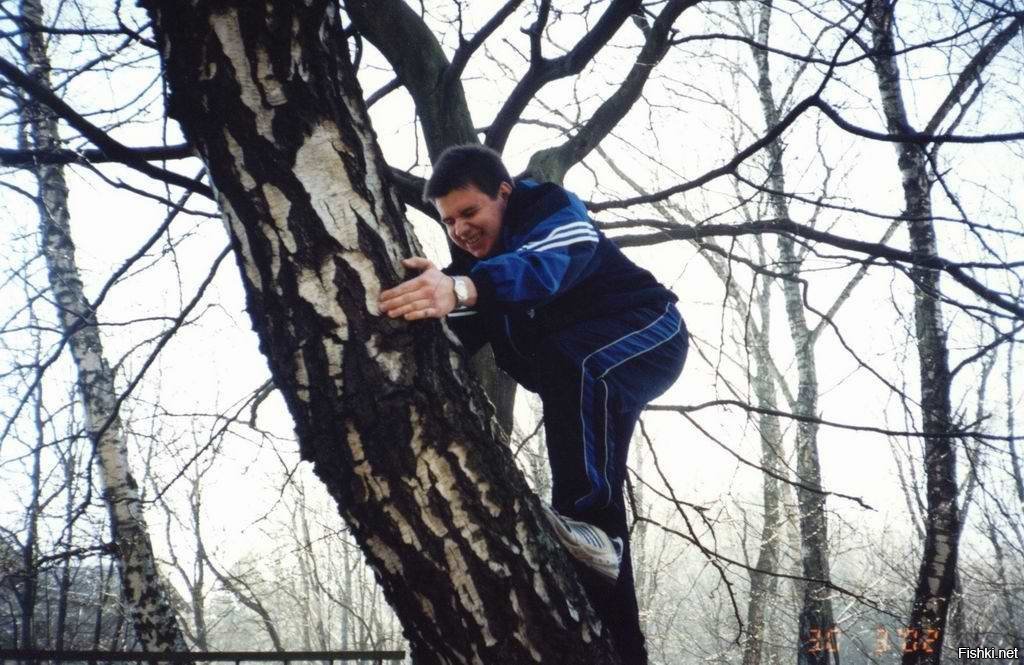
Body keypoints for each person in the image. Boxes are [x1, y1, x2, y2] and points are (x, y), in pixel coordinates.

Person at [377, 144, 687, 663]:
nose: (460, 230)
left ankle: (588, 519)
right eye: (449, 221)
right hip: (585, 373)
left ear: (505, 192)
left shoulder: (550, 209)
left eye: (470, 212)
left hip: (650, 333)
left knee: (576, 369)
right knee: (597, 534)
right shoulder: (476, 269)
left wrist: (461, 287)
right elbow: (457, 331)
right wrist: (428, 305)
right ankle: (619, 637)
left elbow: (549, 264)